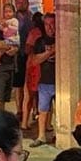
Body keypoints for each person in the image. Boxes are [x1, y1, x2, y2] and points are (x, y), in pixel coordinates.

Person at [28, 12, 56, 147]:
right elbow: (35, 60)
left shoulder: (62, 40)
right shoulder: (40, 41)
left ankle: (59, 134)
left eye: (52, 24)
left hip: (60, 82)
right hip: (45, 81)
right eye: (47, 24)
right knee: (43, 109)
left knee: (61, 111)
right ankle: (41, 136)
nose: (50, 27)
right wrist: (50, 52)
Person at [21, 11, 44, 132]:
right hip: (41, 66)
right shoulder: (45, 33)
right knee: (41, 95)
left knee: (29, 95)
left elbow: (27, 49)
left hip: (33, 65)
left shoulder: (33, 32)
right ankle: (42, 123)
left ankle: (25, 122)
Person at [13, 0, 31, 123]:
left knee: (31, 84)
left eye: (23, 2)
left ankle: (32, 109)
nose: (21, 4)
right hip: (17, 55)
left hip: (31, 54)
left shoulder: (33, 18)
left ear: (27, 3)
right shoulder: (12, 19)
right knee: (18, 85)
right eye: (18, 2)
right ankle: (19, 110)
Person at [0, 3, 20, 67]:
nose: (8, 14)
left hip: (13, 39)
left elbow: (15, 29)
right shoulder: (5, 21)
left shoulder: (14, 20)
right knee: (1, 50)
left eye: (10, 11)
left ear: (14, 13)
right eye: (6, 12)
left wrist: (6, 26)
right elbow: (1, 27)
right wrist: (1, 26)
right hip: (8, 39)